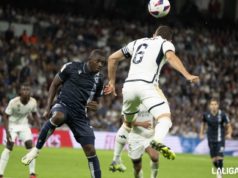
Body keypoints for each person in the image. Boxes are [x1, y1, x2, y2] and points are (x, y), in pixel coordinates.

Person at [105, 25, 199, 160]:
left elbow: (112, 58)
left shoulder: (137, 42)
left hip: (129, 87)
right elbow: (171, 57)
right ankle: (157, 141)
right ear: (170, 40)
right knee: (165, 118)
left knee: (127, 124)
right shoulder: (166, 43)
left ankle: (116, 159)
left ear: (154, 34)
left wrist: (112, 82)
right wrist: (187, 75)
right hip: (147, 85)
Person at [21, 49, 106, 178]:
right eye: (98, 61)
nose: (100, 65)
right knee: (58, 116)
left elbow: (95, 102)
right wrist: (47, 108)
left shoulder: (99, 80)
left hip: (80, 115)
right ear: (90, 60)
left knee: (91, 150)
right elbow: (54, 84)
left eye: (103, 63)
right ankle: (36, 150)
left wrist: (95, 106)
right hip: (63, 105)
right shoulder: (71, 67)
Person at [0, 83, 40, 178]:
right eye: (24, 89)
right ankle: (0, 173)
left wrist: (38, 125)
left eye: (28, 89)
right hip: (12, 125)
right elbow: (5, 116)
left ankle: (32, 174)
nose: (26, 91)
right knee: (9, 146)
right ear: (20, 92)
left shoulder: (33, 102)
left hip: (24, 125)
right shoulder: (13, 102)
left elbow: (34, 113)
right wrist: (7, 131)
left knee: (30, 146)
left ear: (30, 92)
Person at [199, 98, 232, 178]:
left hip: (220, 140)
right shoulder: (206, 115)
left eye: (215, 104)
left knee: (220, 158)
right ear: (210, 106)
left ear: (218, 105)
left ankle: (219, 175)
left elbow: (228, 125)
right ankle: (219, 170)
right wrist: (201, 133)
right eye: (212, 104)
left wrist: (229, 133)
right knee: (214, 160)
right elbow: (203, 124)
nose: (213, 106)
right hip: (210, 140)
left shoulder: (223, 114)